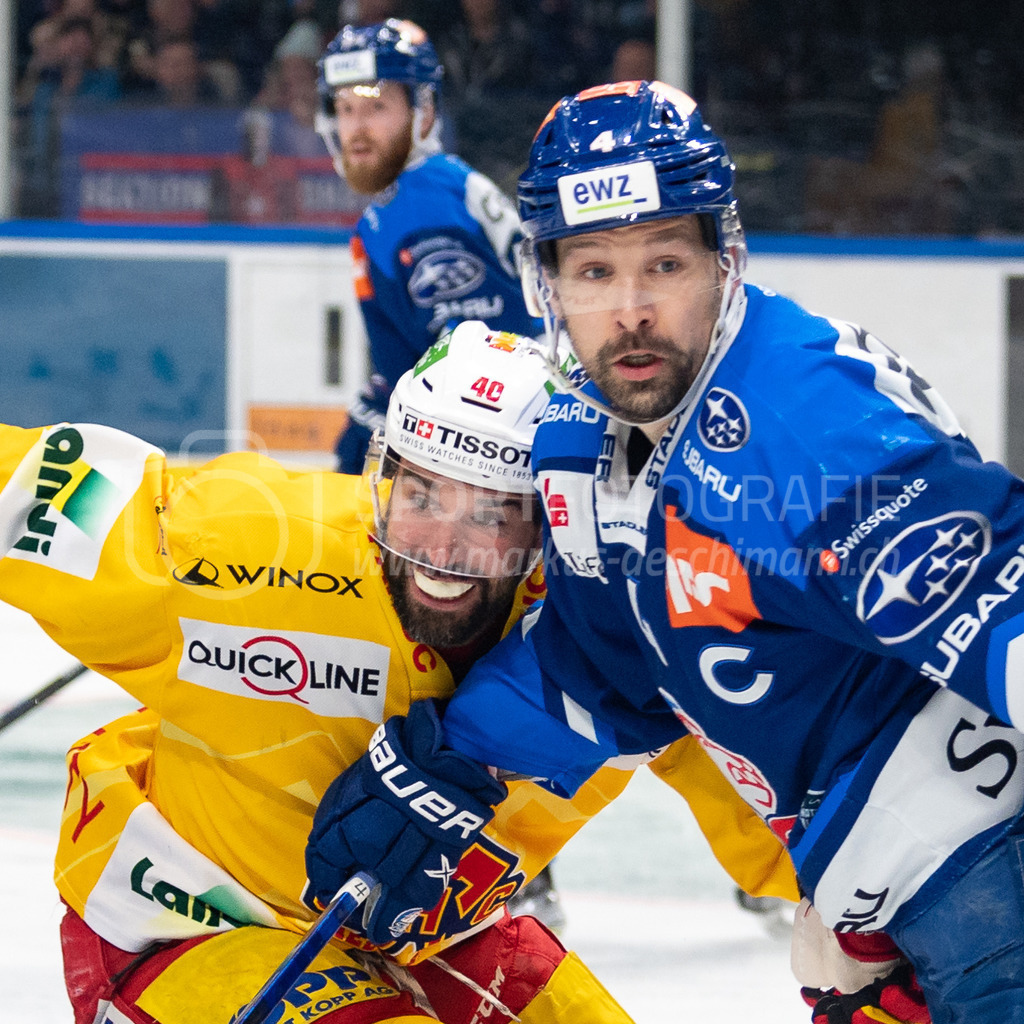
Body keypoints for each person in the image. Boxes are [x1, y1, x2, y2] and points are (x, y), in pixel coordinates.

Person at [295, 81, 1024, 1023]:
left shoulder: (806, 429)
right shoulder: (573, 438)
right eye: (594, 272)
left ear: (726, 260)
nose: (631, 310)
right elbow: (604, 663)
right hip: (891, 902)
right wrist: (448, 763)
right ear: (546, 284)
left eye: (665, 264)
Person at [2, 322, 795, 1024]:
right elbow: (20, 485)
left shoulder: (616, 630)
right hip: (190, 924)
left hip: (427, 935)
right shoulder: (242, 543)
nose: (442, 548)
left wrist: (890, 928)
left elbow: (791, 808)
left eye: (490, 510)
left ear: (552, 518)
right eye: (421, 492)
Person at [314, 18, 539, 476]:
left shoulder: (426, 208)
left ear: (425, 112)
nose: (356, 128)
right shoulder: (416, 199)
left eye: (375, 108)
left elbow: (475, 378)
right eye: (345, 108)